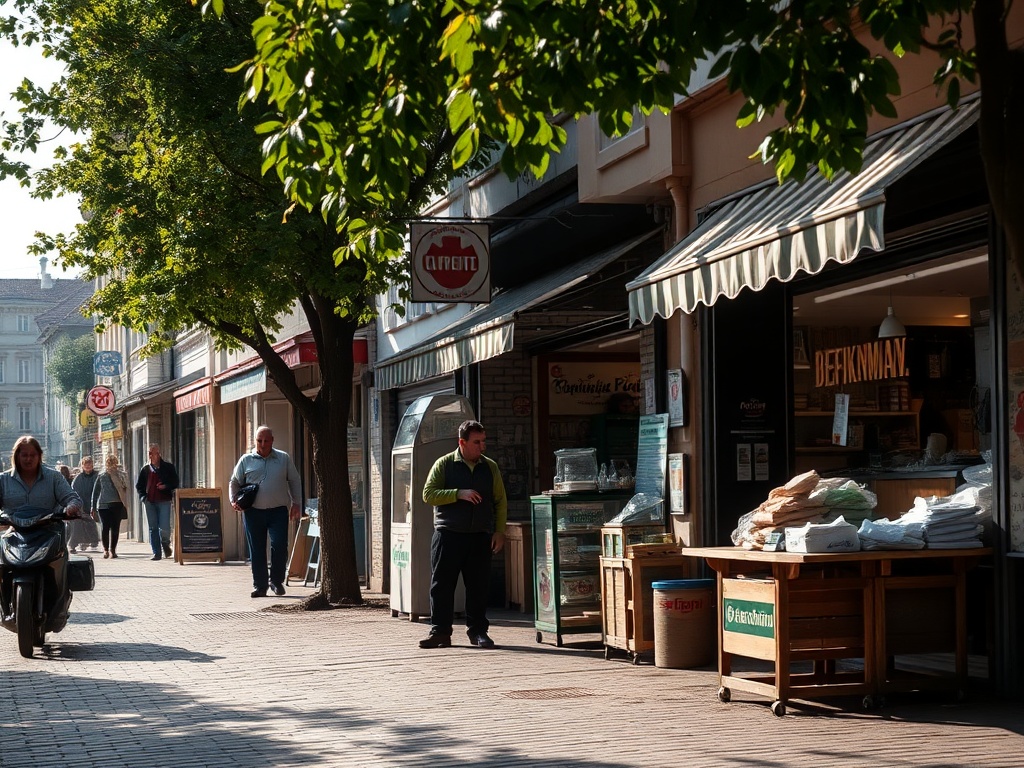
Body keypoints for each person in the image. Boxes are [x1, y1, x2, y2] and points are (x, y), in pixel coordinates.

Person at [419, 420, 507, 650]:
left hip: (479, 535)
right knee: (442, 586)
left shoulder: (490, 467)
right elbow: (428, 495)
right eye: (476, 442)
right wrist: (458, 493)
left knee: (478, 586)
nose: (482, 447)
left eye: (483, 441)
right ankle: (440, 632)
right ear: (462, 442)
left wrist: (499, 531)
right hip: (448, 534)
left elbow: (500, 500)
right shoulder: (444, 464)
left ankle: (478, 632)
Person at [229, 426, 301, 598]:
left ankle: (276, 581)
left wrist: (297, 503)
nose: (262, 444)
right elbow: (234, 482)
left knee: (279, 545)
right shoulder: (246, 460)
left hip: (278, 511)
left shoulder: (283, 458)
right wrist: (233, 501)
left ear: (272, 441)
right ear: (255, 441)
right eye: (259, 441)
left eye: (266, 441)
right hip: (253, 512)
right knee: (257, 549)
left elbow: (295, 480)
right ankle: (260, 585)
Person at [0, 436, 82, 518]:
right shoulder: (3, 480)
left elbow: (73, 498)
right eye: (24, 455)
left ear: (39, 456)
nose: (29, 459)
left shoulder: (54, 477)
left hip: (49, 528)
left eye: (32, 455)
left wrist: (72, 506)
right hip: (12, 528)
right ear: (17, 456)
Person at [135, 444, 179, 561]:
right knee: (153, 527)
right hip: (150, 502)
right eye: (149, 453)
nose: (151, 456)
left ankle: (165, 543)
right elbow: (139, 486)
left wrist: (165, 486)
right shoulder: (145, 469)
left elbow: (175, 482)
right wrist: (143, 498)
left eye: (153, 453)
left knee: (164, 527)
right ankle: (156, 553)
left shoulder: (168, 467)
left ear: (159, 454)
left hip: (164, 501)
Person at [92, 454, 131, 559]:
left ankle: (113, 550)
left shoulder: (120, 475)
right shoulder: (101, 475)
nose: (111, 465)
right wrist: (93, 506)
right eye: (109, 463)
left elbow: (125, 489)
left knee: (115, 528)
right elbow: (95, 492)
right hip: (103, 506)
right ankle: (106, 550)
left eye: (113, 462)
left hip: (117, 504)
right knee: (105, 527)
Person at [69, 457, 101, 553]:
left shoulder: (97, 476)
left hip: (94, 504)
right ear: (82, 466)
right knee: (77, 525)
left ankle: (93, 541)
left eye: (90, 465)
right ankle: (73, 545)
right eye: (86, 465)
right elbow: (73, 492)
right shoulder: (78, 478)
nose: (88, 467)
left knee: (91, 524)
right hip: (81, 505)